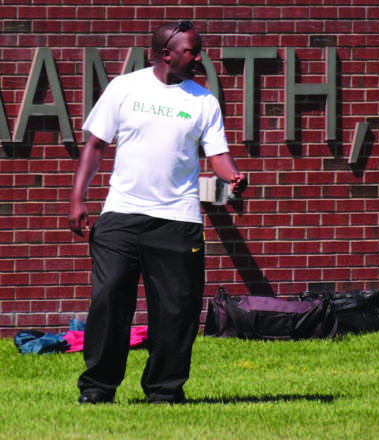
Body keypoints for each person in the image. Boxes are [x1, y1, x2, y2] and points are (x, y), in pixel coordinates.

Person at [68, 21, 247, 405]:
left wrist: (232, 176)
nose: (199, 58)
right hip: (121, 216)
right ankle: (98, 388)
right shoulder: (124, 88)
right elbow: (96, 145)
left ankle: (164, 391)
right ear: (166, 53)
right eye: (191, 51)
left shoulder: (203, 101)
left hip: (178, 221)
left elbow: (217, 153)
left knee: (176, 309)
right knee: (110, 300)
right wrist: (77, 198)